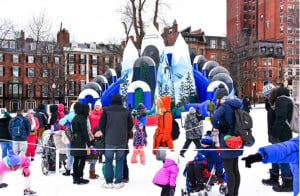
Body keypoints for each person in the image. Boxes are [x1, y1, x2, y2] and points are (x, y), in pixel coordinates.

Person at [210, 83, 243, 196]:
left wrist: (220, 126)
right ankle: (235, 193)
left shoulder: (224, 106)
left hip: (227, 141)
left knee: (229, 173)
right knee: (235, 171)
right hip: (237, 140)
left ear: (219, 98)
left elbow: (214, 118)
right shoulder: (236, 104)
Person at [260, 86, 293, 192]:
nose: (267, 97)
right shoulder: (276, 101)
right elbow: (271, 112)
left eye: (268, 95)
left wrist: (274, 134)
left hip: (281, 135)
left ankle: (288, 181)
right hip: (277, 135)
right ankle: (274, 177)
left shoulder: (282, 100)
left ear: (273, 93)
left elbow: (280, 119)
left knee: (282, 158)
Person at [97, 94, 133, 189]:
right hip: (122, 140)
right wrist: (125, 132)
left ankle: (108, 182)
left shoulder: (106, 110)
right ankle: (118, 181)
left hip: (109, 140)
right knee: (120, 161)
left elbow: (101, 125)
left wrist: (106, 133)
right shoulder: (126, 111)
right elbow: (131, 124)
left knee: (108, 161)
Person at [70, 102, 96, 185]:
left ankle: (75, 177)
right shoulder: (82, 119)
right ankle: (80, 177)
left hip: (74, 141)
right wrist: (89, 145)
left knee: (76, 159)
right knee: (82, 159)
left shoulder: (75, 117)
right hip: (80, 142)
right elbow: (85, 133)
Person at [87, 99, 103, 179]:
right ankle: (92, 172)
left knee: (104, 153)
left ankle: (107, 172)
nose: (97, 107)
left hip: (101, 135)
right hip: (93, 136)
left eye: (98, 106)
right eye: (96, 106)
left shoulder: (103, 114)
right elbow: (88, 124)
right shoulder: (91, 114)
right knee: (93, 154)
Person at [59, 103, 76, 176]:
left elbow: (61, 123)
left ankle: (68, 170)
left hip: (70, 136)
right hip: (79, 137)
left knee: (70, 154)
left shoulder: (69, 115)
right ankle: (76, 170)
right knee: (78, 154)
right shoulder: (81, 115)